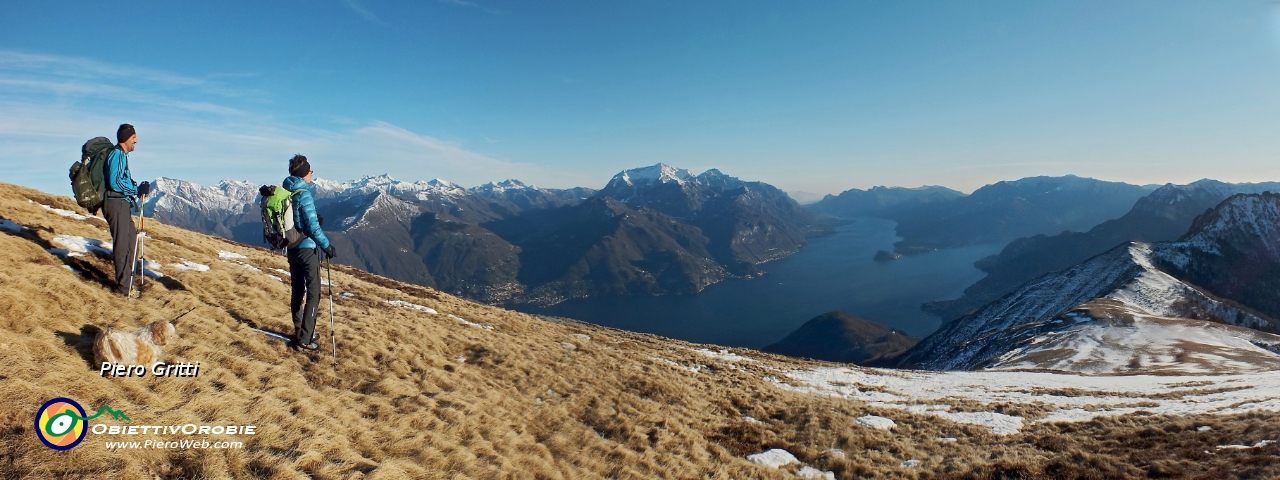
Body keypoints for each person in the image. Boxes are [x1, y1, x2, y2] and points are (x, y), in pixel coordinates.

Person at [283, 155, 335, 351]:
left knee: (297, 290)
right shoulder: (304, 194)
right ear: (304, 173)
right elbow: (312, 227)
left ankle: (301, 330)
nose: (311, 173)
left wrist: (313, 220)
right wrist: (327, 246)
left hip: (292, 248)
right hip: (306, 250)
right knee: (314, 292)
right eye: (310, 170)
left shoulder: (287, 191)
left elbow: (298, 221)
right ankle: (306, 339)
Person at [102, 124, 151, 297]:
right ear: (126, 138)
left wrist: (137, 187)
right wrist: (136, 191)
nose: (136, 141)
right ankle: (123, 289)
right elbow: (115, 182)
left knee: (131, 241)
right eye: (133, 138)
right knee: (123, 245)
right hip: (116, 204)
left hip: (120, 204)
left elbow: (120, 180)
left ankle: (127, 284)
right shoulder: (118, 155)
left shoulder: (120, 156)